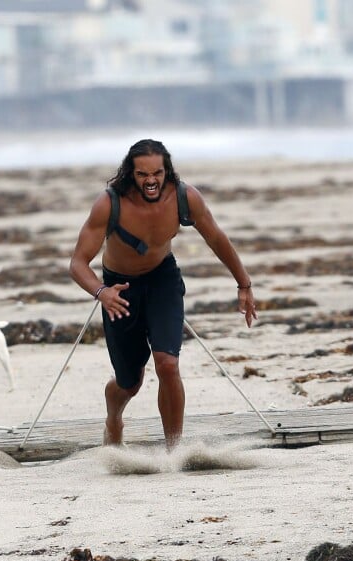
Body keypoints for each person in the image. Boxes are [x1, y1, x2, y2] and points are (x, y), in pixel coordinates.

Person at [69, 139, 256, 449]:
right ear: (131, 173)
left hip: (162, 279)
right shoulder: (110, 203)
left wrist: (244, 284)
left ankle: (174, 451)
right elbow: (77, 263)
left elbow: (216, 238)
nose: (151, 180)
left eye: (157, 173)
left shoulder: (185, 197)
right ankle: (113, 420)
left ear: (167, 170)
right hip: (119, 289)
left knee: (167, 364)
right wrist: (101, 292)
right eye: (143, 175)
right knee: (129, 383)